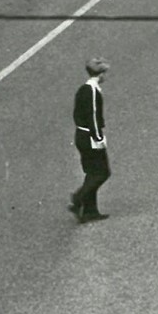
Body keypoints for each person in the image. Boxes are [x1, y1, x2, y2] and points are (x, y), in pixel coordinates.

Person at [70, 57, 112, 222]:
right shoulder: (92, 92)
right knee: (102, 172)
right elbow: (93, 117)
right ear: (100, 74)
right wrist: (99, 138)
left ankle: (90, 210)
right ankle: (78, 198)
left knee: (91, 172)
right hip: (90, 136)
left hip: (81, 135)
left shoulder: (83, 89)